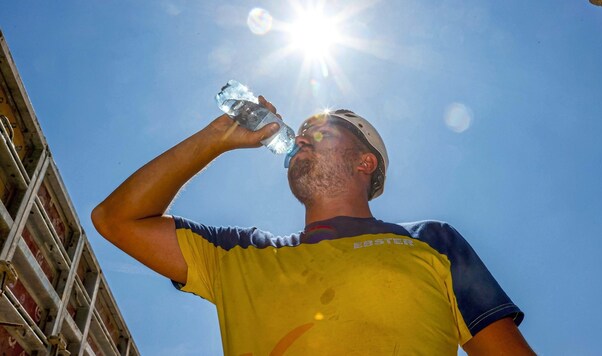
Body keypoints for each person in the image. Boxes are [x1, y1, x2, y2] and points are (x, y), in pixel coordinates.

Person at [92, 97, 534, 355]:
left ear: (366, 162)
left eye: (321, 133)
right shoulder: (239, 254)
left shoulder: (433, 242)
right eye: (300, 133)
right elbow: (116, 220)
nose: (300, 138)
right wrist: (217, 138)